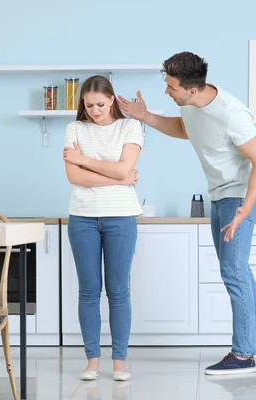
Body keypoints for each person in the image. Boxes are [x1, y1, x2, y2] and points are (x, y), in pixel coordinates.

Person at [118, 51, 256, 375]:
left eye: (171, 87)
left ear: (191, 89)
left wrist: (245, 207)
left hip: (238, 196)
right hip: (218, 195)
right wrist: (145, 116)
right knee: (236, 267)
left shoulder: (232, 114)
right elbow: (183, 129)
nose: (167, 92)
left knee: (233, 271)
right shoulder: (190, 107)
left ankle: (244, 354)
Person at [63, 75, 143, 381]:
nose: (94, 110)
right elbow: (75, 178)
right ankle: (92, 361)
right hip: (82, 217)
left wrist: (83, 159)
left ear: (111, 99)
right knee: (88, 292)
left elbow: (126, 167)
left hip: (121, 217)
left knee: (118, 291)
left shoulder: (130, 127)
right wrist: (119, 179)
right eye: (88, 105)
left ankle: (120, 361)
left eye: (99, 104)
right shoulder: (74, 129)